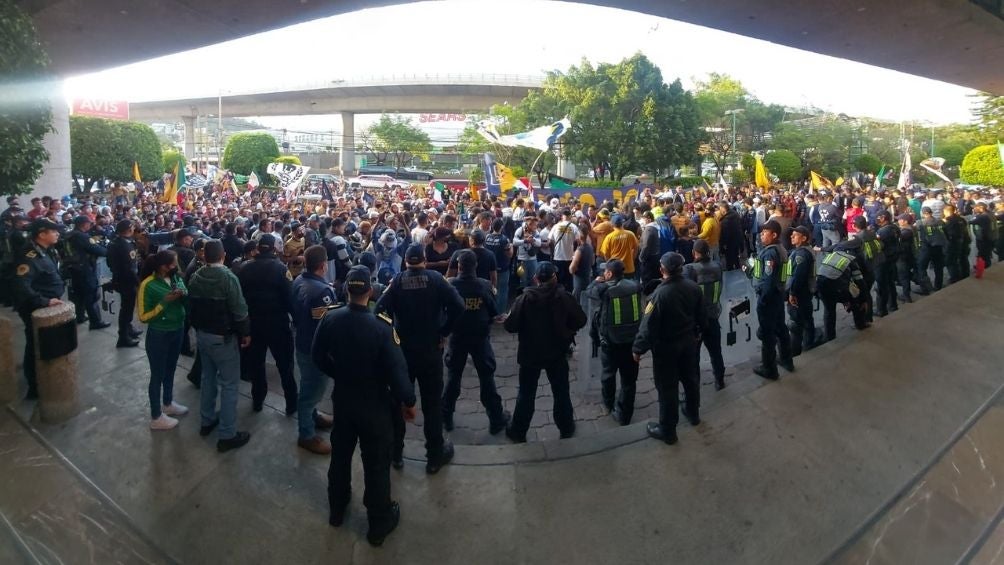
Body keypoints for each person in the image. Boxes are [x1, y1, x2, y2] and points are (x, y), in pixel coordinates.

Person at [313, 265, 416, 547]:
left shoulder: (331, 318)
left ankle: (337, 508)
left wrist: (340, 374)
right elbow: (398, 371)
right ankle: (378, 524)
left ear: (347, 290)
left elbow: (317, 356)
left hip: (344, 400)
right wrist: (408, 401)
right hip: (375, 405)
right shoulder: (381, 326)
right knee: (377, 464)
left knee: (340, 457)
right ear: (370, 291)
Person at [376, 243, 464, 474]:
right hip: (430, 351)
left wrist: (392, 336)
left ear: (406, 261)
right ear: (424, 259)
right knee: (432, 405)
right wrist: (443, 332)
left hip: (403, 352)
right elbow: (458, 306)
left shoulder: (396, 281)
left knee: (399, 402)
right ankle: (434, 456)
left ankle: (396, 454)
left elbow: (379, 311)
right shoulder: (435, 279)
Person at [504, 261, 587, 442]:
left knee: (526, 393)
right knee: (561, 392)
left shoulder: (524, 299)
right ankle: (566, 427)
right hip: (557, 353)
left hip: (529, 354)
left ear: (535, 279)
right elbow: (581, 320)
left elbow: (510, 326)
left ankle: (518, 431)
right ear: (554, 277)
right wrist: (567, 328)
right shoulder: (563, 296)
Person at [632, 252, 705, 445]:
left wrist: (638, 349)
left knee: (667, 388)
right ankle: (693, 413)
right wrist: (698, 333)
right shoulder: (694, 287)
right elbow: (701, 315)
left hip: (667, 349)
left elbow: (648, 326)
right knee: (690, 379)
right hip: (689, 343)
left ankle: (668, 430)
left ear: (662, 270)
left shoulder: (659, 295)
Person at [188, 240, 252, 452]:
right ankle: (227, 434)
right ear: (223, 255)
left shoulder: (196, 276)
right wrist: (245, 333)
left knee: (208, 377)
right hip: (222, 338)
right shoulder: (227, 277)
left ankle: (207, 421)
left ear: (204, 256)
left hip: (202, 335)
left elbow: (191, 306)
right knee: (230, 384)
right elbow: (240, 309)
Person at [441, 249, 508, 434]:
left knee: (453, 377)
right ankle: (496, 419)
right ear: (475, 266)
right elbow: (494, 311)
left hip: (457, 336)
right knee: (486, 378)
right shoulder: (484, 285)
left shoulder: (450, 285)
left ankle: (446, 418)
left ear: (459, 266)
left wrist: (443, 333)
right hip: (479, 337)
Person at [238, 234, 298, 414]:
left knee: (256, 365)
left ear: (258, 248)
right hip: (277, 325)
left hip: (254, 324)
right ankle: (291, 404)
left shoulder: (245, 268)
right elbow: (290, 299)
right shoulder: (280, 269)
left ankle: (257, 400)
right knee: (285, 366)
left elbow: (240, 298)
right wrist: (296, 321)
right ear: (273, 249)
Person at [11, 219, 65, 400]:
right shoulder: (29, 255)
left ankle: (42, 380)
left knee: (44, 343)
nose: (57, 233)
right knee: (36, 345)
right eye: (54, 231)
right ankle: (35, 386)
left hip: (46, 306)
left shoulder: (45, 250)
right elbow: (21, 285)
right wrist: (44, 301)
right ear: (42, 234)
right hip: (36, 308)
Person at [291, 245, 336, 454]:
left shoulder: (299, 280)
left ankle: (313, 416)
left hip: (302, 341)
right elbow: (327, 324)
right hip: (314, 348)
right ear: (322, 265)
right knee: (311, 391)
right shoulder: (322, 291)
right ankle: (306, 434)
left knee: (309, 385)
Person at [137, 250, 188, 430]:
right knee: (157, 374)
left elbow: (185, 293)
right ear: (162, 267)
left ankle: (168, 402)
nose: (176, 267)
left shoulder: (175, 278)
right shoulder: (148, 285)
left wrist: (183, 294)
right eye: (173, 264)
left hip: (178, 329)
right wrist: (164, 302)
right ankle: (156, 415)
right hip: (159, 334)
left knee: (170, 368)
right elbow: (143, 316)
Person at [586, 259, 642, 424]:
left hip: (611, 342)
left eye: (605, 272)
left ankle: (609, 403)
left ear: (609, 273)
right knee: (629, 379)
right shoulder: (635, 285)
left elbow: (590, 291)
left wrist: (596, 281)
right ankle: (625, 414)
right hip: (632, 340)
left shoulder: (605, 289)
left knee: (608, 375)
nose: (603, 274)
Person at [744, 220, 794, 380]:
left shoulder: (770, 253)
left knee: (767, 334)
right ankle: (787, 360)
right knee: (780, 328)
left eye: (765, 233)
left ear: (774, 235)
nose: (761, 235)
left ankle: (769, 368)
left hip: (769, 298)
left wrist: (763, 300)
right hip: (778, 295)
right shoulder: (781, 249)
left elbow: (768, 280)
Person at [683, 240, 726, 390]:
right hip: (713, 315)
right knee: (716, 351)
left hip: (696, 322)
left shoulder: (689, 269)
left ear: (694, 253)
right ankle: (720, 380)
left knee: (693, 356)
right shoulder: (718, 266)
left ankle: (694, 387)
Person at [65, 215, 110, 329]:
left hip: (73, 268)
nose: (90, 225)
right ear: (84, 224)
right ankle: (95, 322)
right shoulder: (82, 236)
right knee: (91, 295)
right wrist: (109, 251)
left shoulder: (69, 234)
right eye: (89, 223)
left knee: (78, 294)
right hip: (85, 268)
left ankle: (79, 316)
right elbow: (97, 249)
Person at [815, 247, 866, 342]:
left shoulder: (831, 256)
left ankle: (830, 336)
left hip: (820, 285)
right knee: (856, 298)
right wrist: (863, 299)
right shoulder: (851, 260)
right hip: (835, 286)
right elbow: (859, 281)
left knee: (829, 311)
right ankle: (860, 324)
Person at [106, 220, 141, 347]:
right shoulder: (125, 245)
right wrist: (138, 282)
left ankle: (128, 329)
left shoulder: (115, 242)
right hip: (127, 281)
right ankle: (123, 337)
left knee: (127, 307)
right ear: (128, 229)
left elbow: (110, 263)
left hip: (119, 278)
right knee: (126, 308)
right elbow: (130, 269)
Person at [784, 226, 816, 357]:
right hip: (807, 291)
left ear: (804, 238)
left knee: (796, 323)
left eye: (795, 235)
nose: (791, 237)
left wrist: (792, 293)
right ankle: (809, 344)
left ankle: (794, 351)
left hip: (800, 293)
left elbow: (798, 276)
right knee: (807, 319)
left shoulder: (801, 255)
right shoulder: (806, 251)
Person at [484, 218, 513, 319]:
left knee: (491, 289)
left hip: (490, 268)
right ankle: (500, 313)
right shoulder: (504, 239)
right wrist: (511, 246)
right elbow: (509, 254)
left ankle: (490, 311)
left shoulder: (487, 237)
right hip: (502, 268)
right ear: (501, 227)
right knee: (502, 291)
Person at [874, 212, 900, 316]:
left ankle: (881, 309)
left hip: (884, 259)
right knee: (890, 283)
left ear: (883, 218)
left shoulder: (883, 231)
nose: (877, 219)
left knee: (881, 285)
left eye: (879, 217)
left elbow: (878, 244)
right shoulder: (894, 227)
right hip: (892, 258)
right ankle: (893, 305)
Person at [916, 206, 947, 291]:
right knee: (938, 267)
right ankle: (938, 286)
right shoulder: (940, 221)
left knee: (921, 267)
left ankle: (926, 287)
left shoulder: (920, 222)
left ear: (923, 213)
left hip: (926, 247)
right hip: (938, 247)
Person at [549, 209, 580, 292]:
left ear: (562, 216)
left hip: (557, 258)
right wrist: (574, 251)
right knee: (569, 282)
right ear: (570, 216)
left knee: (558, 281)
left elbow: (549, 241)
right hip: (569, 258)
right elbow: (578, 241)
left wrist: (553, 253)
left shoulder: (556, 226)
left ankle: (558, 300)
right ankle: (568, 299)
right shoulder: (574, 227)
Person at [970, 201, 995, 268]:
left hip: (984, 238)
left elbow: (970, 222)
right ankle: (984, 265)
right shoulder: (989, 213)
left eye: (975, 207)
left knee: (983, 254)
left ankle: (983, 267)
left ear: (981, 208)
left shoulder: (983, 216)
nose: (974, 209)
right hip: (989, 237)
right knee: (986, 253)